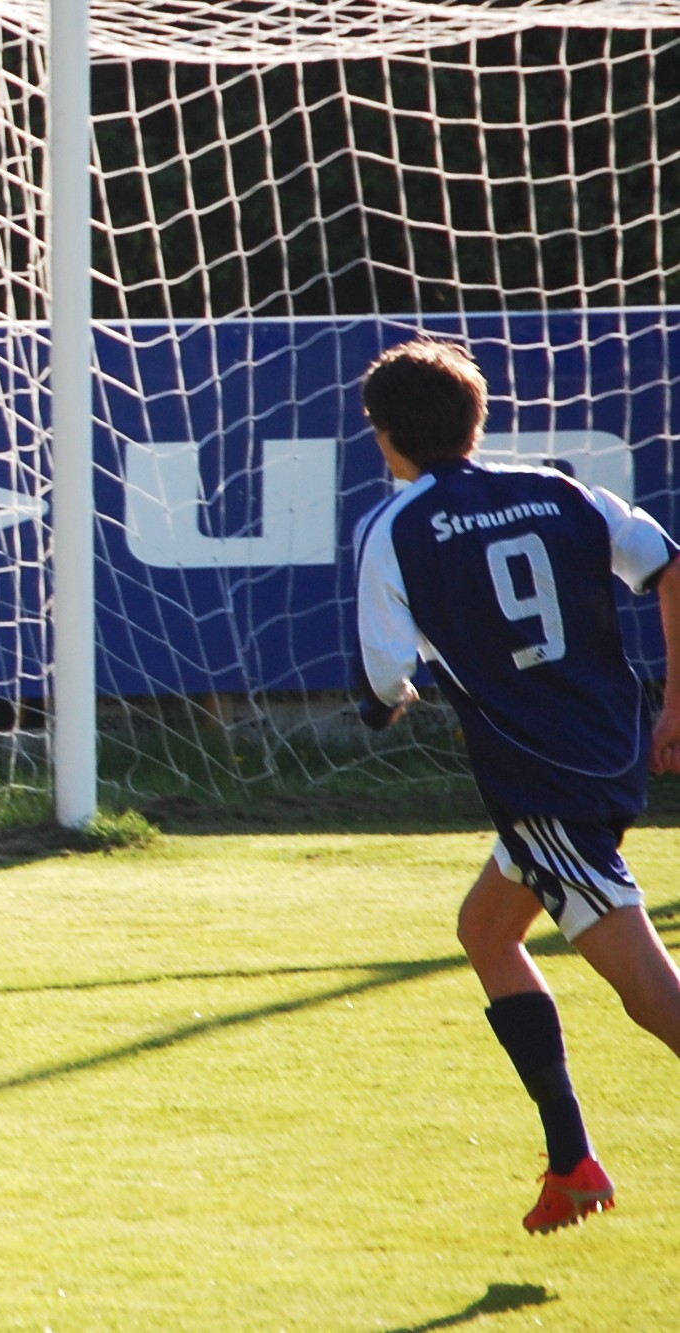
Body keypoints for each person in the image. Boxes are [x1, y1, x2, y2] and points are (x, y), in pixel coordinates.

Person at [353, 337, 680, 1234]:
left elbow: (384, 680)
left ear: (386, 438)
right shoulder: (556, 485)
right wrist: (673, 708)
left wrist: (390, 702)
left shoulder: (396, 525)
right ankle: (571, 1161)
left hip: (540, 779)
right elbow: (668, 562)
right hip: (604, 746)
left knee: (651, 994)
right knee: (485, 928)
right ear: (476, 416)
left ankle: (573, 1164)